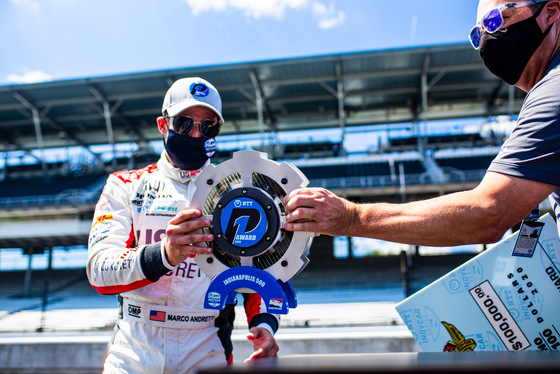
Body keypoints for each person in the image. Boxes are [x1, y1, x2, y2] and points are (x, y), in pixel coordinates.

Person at [284, 0, 560, 247]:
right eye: (478, 34)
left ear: (550, 12)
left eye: (495, 20)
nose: (487, 37)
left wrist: (352, 218)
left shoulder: (555, 89)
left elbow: (488, 213)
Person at [87, 77, 279, 374]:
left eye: (208, 126)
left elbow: (258, 273)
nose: (196, 132)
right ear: (163, 125)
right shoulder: (125, 185)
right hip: (134, 345)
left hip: (206, 344)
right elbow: (100, 271)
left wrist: (264, 325)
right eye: (184, 123)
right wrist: (165, 253)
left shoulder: (238, 193)